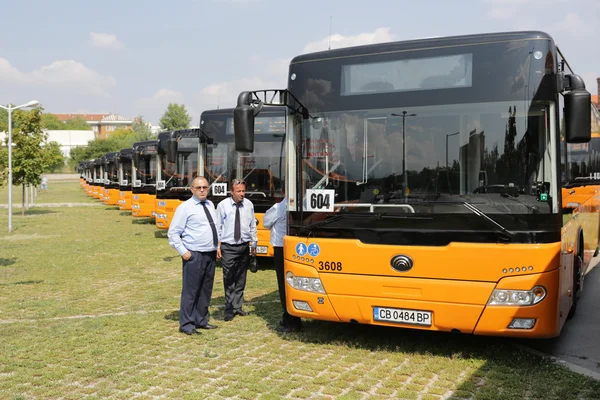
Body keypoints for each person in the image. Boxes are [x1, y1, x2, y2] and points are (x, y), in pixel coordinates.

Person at [168, 176, 219, 335]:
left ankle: (201, 320)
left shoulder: (210, 205)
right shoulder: (185, 208)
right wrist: (184, 252)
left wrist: (218, 245)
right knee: (191, 291)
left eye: (205, 187)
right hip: (194, 255)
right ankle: (187, 324)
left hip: (210, 254)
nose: (202, 190)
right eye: (199, 187)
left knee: (205, 290)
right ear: (192, 189)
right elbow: (173, 233)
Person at [216, 179, 258, 321]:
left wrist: (254, 243)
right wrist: (218, 245)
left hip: (244, 246)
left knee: (241, 278)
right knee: (229, 278)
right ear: (231, 192)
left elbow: (253, 225)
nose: (242, 194)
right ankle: (229, 309)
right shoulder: (222, 206)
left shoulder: (249, 205)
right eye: (238, 191)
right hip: (228, 246)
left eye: (243, 191)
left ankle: (238, 306)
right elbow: (218, 226)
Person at [263, 185, 303, 333]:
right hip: (297, 246)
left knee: (284, 285)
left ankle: (290, 321)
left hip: (281, 247)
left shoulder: (278, 207)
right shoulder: (302, 205)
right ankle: (296, 318)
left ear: (283, 192)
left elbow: (266, 223)